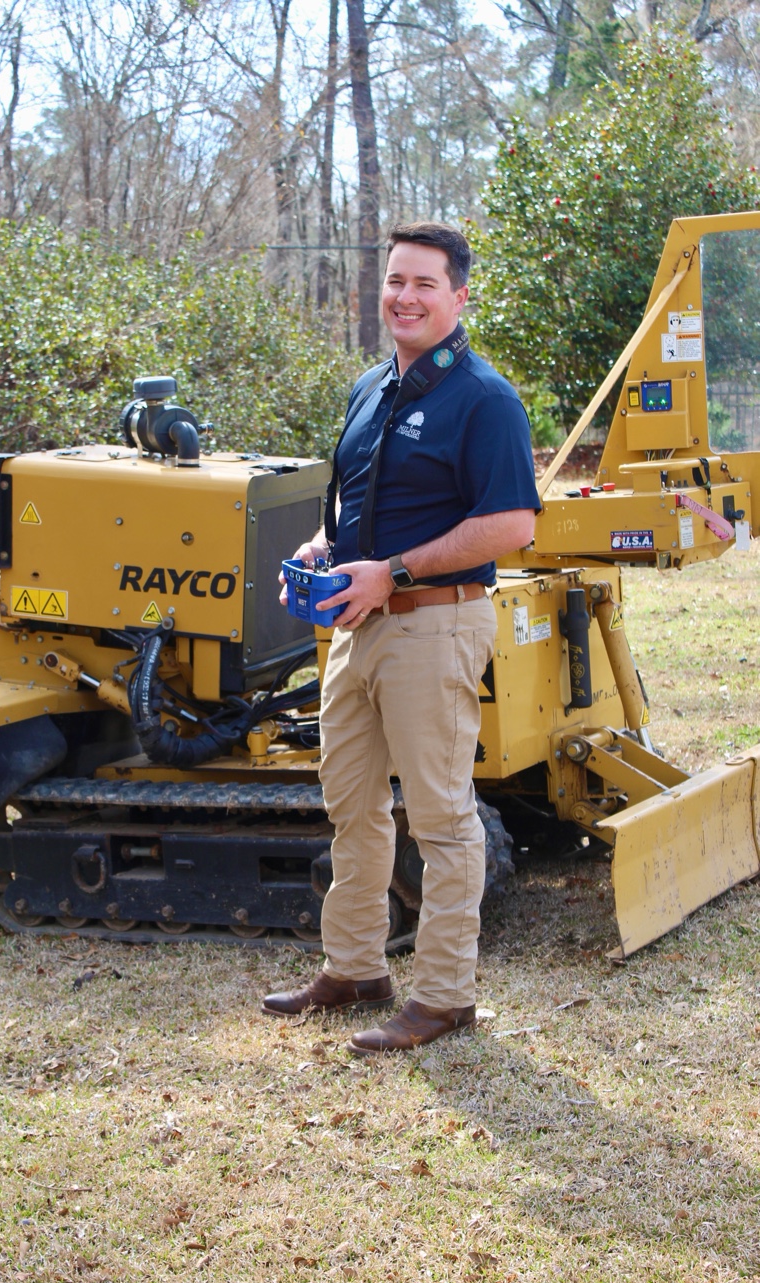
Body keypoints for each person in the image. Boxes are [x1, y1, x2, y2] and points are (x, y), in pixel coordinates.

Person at [262, 221, 540, 1053]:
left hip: (434, 624)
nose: (405, 297)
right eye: (394, 281)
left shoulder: (485, 399)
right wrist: (320, 554)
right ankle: (355, 968)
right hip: (357, 630)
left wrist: (396, 573)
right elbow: (350, 510)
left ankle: (447, 997)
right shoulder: (369, 388)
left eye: (424, 283)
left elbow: (511, 524)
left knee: (441, 818)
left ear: (459, 296)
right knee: (351, 805)